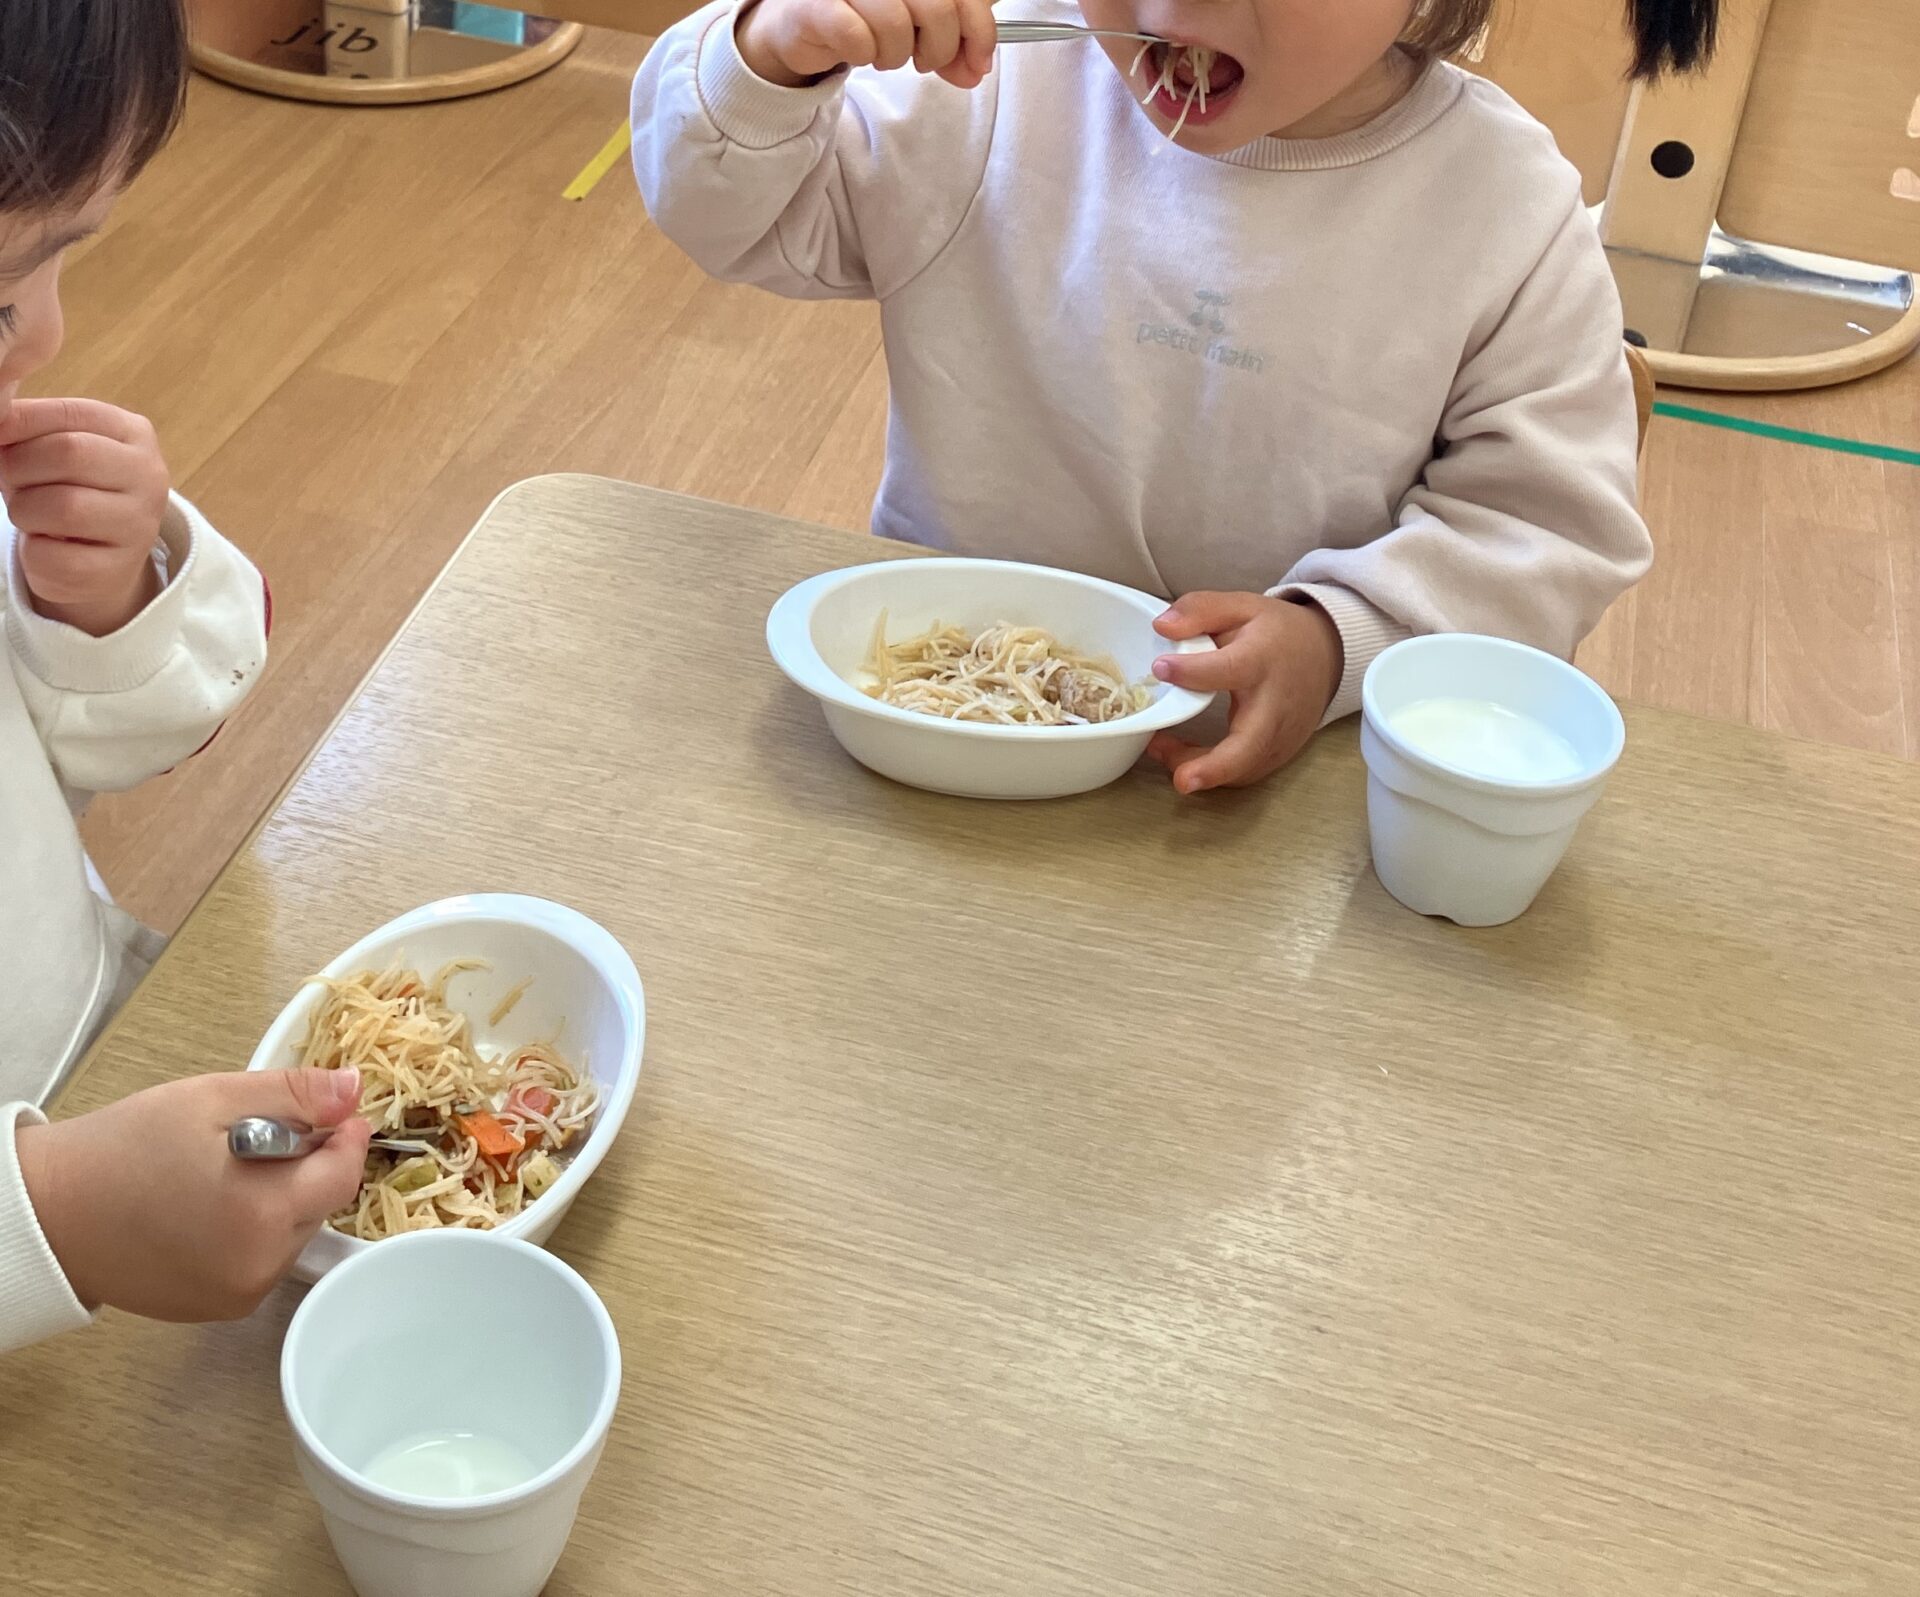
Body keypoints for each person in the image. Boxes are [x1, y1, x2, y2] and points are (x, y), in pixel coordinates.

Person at [633, 0, 1716, 793]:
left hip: (1266, 787)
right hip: (931, 725)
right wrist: (769, 59)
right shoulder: (987, 87)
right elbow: (732, 211)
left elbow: (1542, 532)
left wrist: (1338, 639)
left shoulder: (1505, 210)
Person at [1, 0, 370, 1355]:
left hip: (108, 1058)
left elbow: (126, 737)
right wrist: (56, 1213)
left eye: (56, 260)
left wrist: (103, 601)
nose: (44, 336)